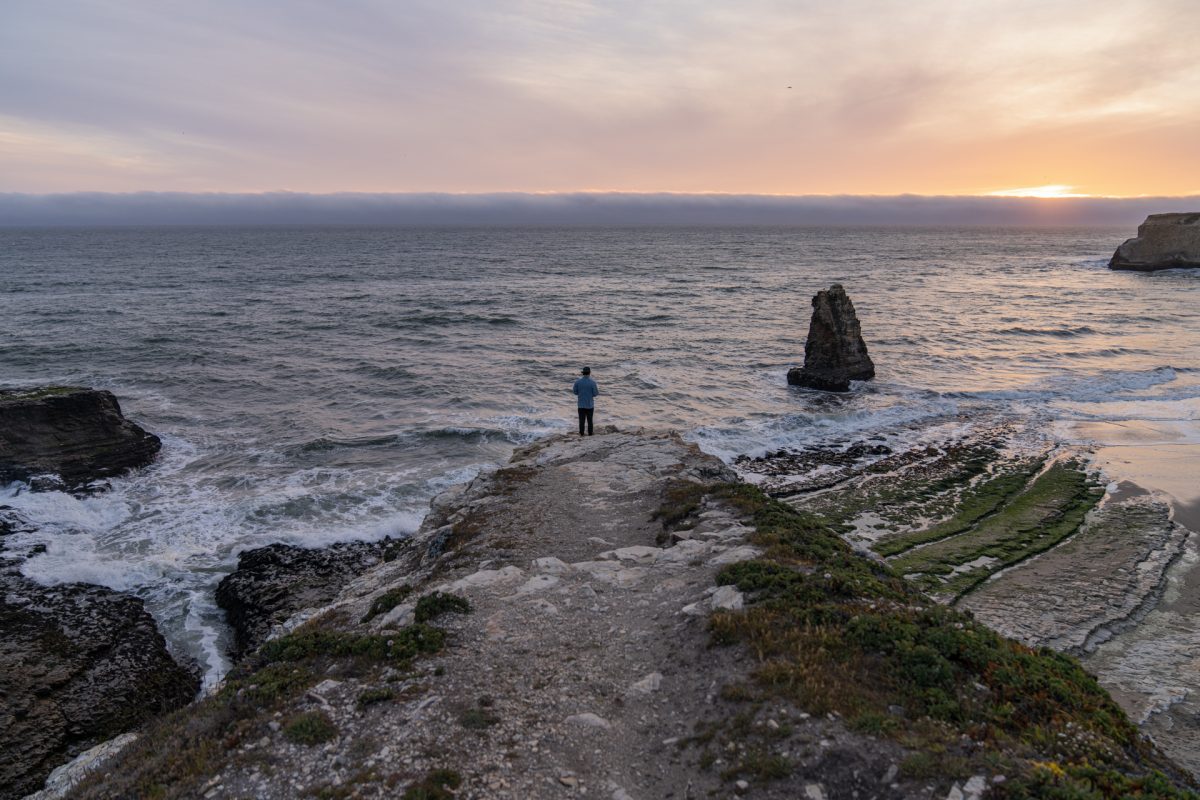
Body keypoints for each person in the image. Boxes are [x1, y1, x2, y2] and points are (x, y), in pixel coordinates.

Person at [572, 366, 599, 436]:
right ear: (589, 373)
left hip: (581, 405)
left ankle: (581, 434)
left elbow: (575, 392)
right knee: (590, 421)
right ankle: (590, 434)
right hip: (590, 405)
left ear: (583, 373)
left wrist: (581, 393)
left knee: (581, 421)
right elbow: (596, 394)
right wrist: (590, 394)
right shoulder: (593, 382)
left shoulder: (577, 382)